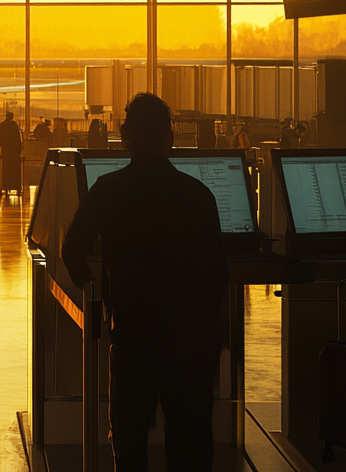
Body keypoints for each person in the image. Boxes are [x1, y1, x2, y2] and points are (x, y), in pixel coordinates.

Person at [61, 93, 227, 472]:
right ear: (170, 137)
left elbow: (72, 250)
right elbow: (218, 272)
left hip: (135, 335)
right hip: (188, 340)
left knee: (130, 438)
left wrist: (97, 293)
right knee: (189, 440)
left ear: (125, 138)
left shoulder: (107, 189)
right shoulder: (198, 195)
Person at [0, 111, 23, 195]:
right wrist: (19, 149)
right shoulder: (14, 125)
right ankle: (16, 186)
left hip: (6, 150)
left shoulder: (2, 125)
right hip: (14, 151)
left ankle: (6, 186)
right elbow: (18, 138)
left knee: (6, 169)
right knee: (15, 169)